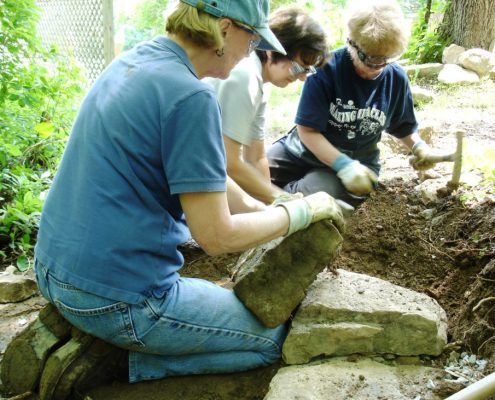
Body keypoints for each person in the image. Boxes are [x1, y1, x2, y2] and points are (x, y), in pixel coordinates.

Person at [32, 0, 345, 393]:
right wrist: (300, 213)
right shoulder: (190, 98)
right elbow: (218, 237)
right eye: (251, 41)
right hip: (119, 299)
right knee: (272, 340)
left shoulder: (134, 62)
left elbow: (204, 178)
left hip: (53, 269)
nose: (251, 53)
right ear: (225, 29)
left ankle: (104, 334)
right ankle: (121, 361)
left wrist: (266, 206)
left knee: (220, 303)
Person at [267, 0, 440, 208]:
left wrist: (418, 147)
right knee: (253, 172)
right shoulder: (326, 67)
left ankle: (271, 216)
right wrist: (343, 164)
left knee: (311, 197)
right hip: (302, 150)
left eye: (385, 60)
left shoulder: (396, 78)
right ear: (351, 43)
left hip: (353, 169)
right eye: (369, 59)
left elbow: (403, 126)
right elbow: (308, 130)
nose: (376, 67)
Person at [204, 7, 328, 204]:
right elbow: (229, 162)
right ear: (273, 49)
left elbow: (256, 157)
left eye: (307, 71)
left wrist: (272, 204)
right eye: (298, 67)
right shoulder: (244, 76)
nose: (303, 78)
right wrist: (283, 200)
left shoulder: (260, 82)